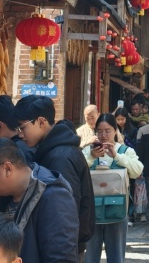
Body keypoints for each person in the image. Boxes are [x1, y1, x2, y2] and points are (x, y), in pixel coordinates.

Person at [81, 113, 143, 263]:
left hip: (117, 214)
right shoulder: (87, 152)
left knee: (117, 260)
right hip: (92, 214)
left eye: (107, 131)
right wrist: (91, 156)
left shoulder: (125, 151)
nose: (103, 135)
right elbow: (77, 171)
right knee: (90, 261)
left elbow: (137, 171)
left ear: (115, 131)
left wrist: (116, 156)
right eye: (99, 131)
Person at [15, 96, 95, 249]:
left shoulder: (60, 157)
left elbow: (67, 210)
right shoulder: (54, 151)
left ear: (41, 122)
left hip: (63, 247)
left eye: (22, 127)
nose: (20, 134)